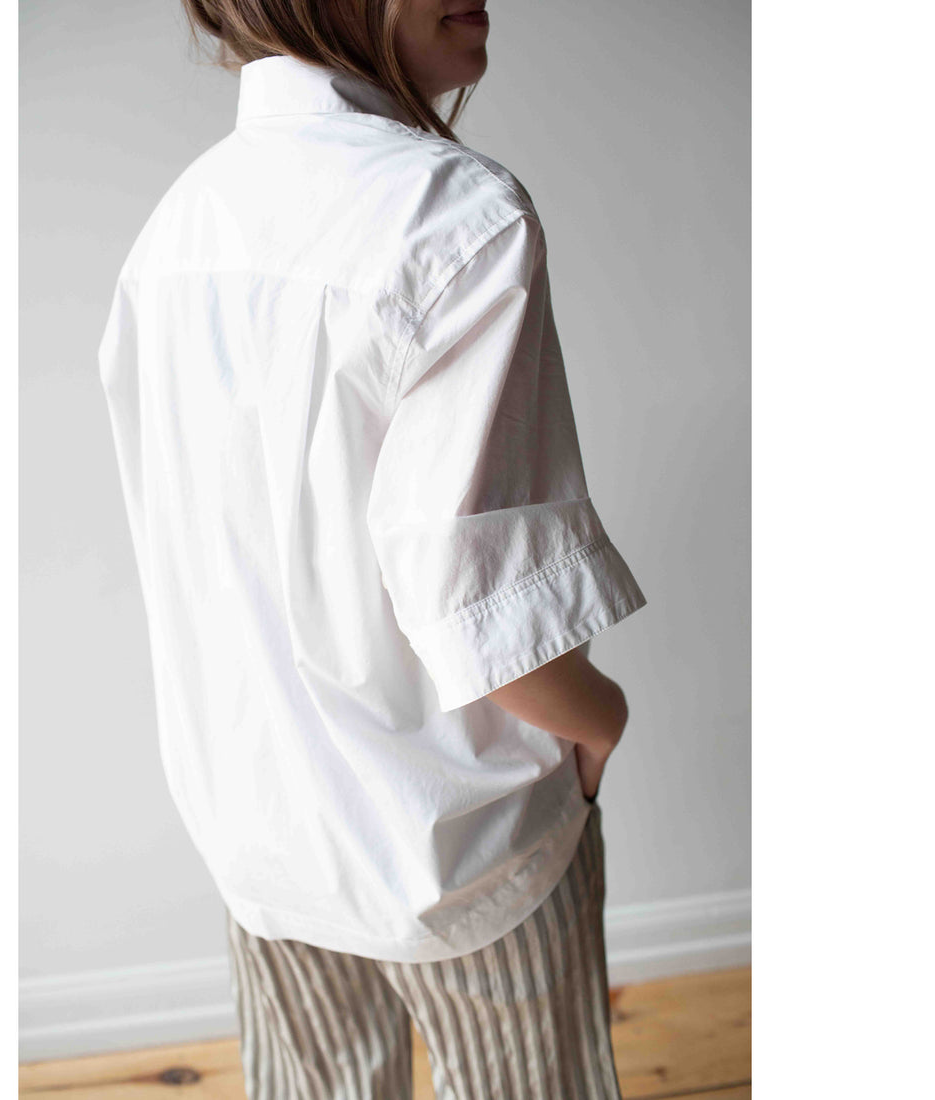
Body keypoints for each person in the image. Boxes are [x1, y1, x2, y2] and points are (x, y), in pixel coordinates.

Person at [97, 1, 648, 1096]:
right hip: (461, 841)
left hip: (259, 835)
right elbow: (486, 616)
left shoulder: (177, 228)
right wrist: (603, 720)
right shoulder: (456, 216)